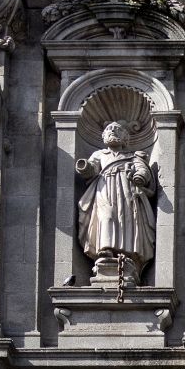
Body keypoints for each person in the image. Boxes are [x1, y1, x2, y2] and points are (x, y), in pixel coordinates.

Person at [77, 121, 156, 285]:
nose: (112, 131)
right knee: (106, 216)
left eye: (117, 129)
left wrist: (140, 176)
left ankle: (127, 253)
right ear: (103, 136)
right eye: (109, 129)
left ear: (125, 138)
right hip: (105, 189)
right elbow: (92, 168)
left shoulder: (133, 156)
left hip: (127, 192)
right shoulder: (99, 155)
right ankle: (105, 249)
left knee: (126, 220)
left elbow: (143, 170)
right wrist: (85, 168)